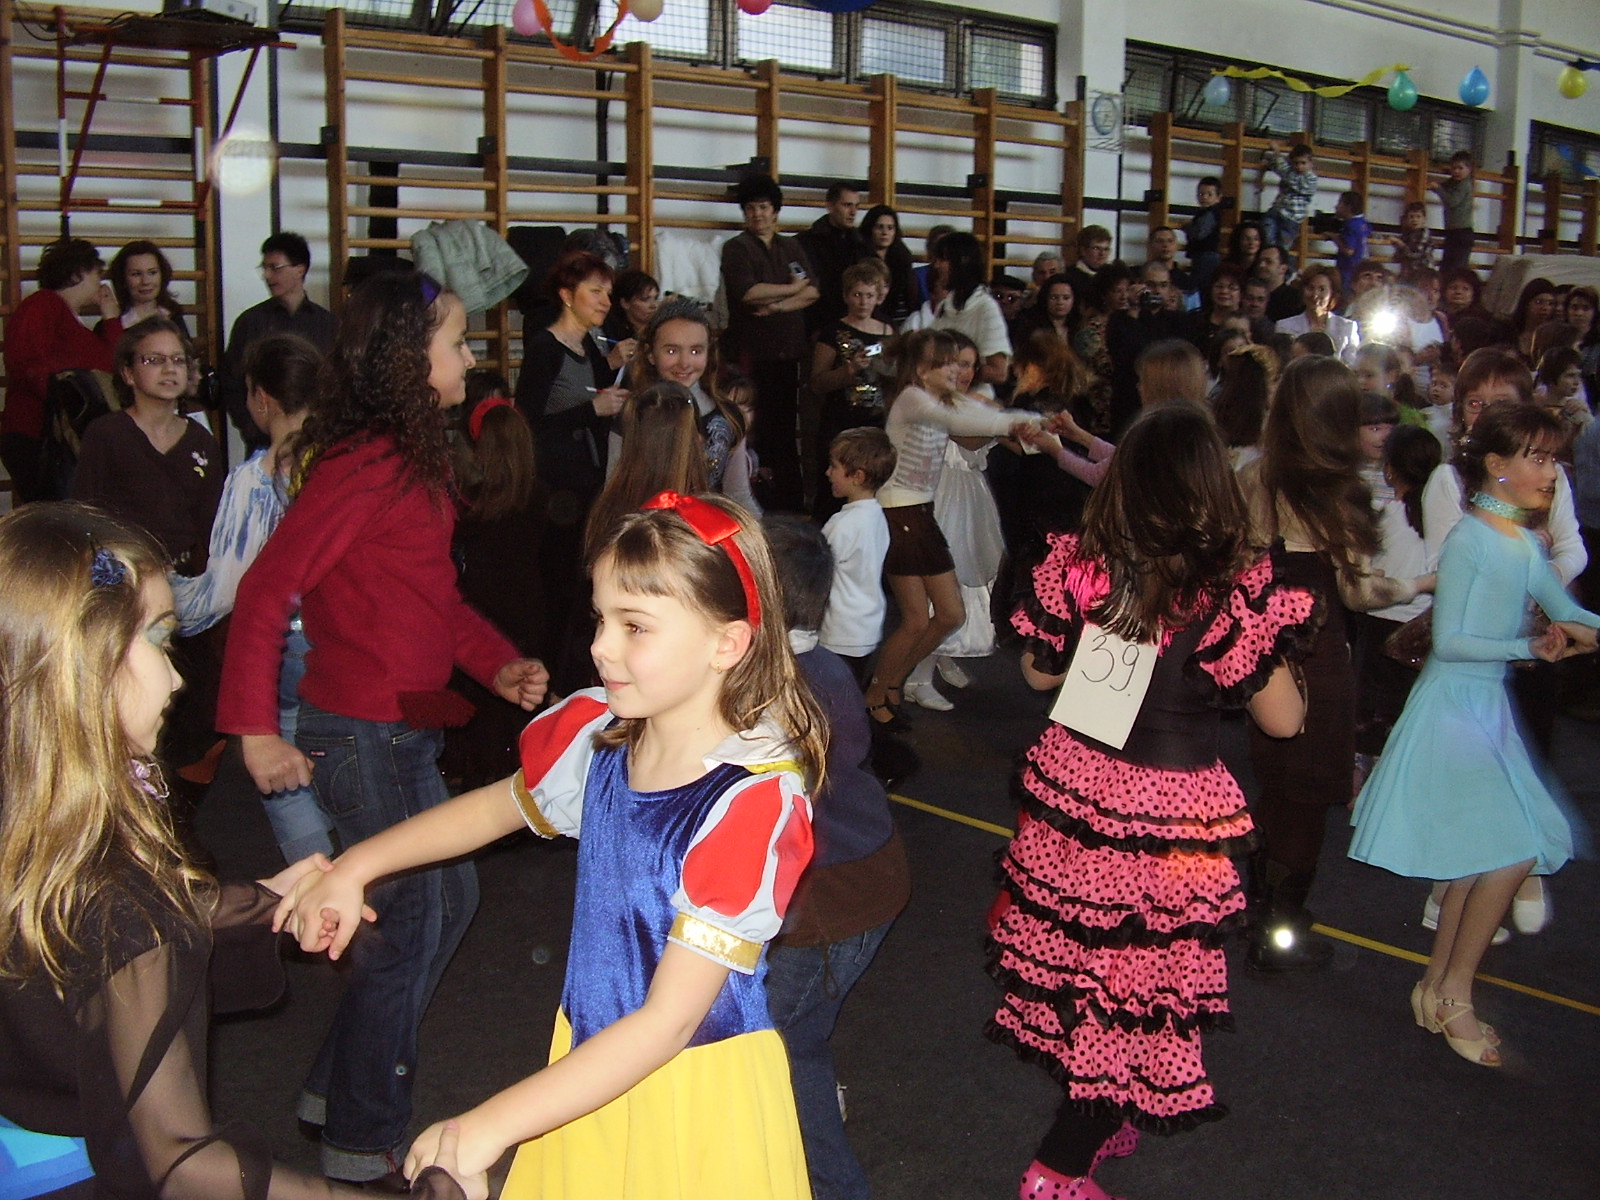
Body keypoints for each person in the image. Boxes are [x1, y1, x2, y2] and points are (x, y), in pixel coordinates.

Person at [278, 492, 825, 1198]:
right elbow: (493, 807)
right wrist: (355, 867)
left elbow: (669, 1022)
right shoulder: (601, 737)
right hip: (590, 1063)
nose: (601, 647)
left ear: (727, 643)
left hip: (688, 1092)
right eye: (601, 618)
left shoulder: (750, 801)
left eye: (635, 625)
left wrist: (489, 1125)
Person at [0, 502, 482, 1200]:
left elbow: (77, 930)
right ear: (86, 661)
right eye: (158, 640)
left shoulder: (32, 810)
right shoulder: (122, 896)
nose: (176, 679)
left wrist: (263, 901)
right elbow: (181, 1165)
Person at [216, 271, 549, 1187]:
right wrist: (253, 728)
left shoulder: (413, 458)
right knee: (414, 916)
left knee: (445, 902)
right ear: (408, 359)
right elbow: (266, 588)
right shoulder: (367, 462)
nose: (471, 356)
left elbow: (430, 601)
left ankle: (337, 1090)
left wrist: (495, 664)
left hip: (396, 732)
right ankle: (364, 1141)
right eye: (457, 341)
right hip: (358, 734)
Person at [989, 403, 1316, 1200]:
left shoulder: (1087, 568)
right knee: (1136, 983)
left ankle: (1099, 1108)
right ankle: (1058, 1168)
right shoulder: (1228, 591)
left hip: (1078, 789)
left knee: (1087, 962)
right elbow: (1283, 720)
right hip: (1163, 816)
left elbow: (1036, 672)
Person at [1350, 402, 1599, 1066]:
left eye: (1553, 459)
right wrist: (1528, 645)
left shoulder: (1524, 543)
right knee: (1511, 849)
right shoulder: (1469, 540)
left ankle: (1438, 989)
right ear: (1497, 465)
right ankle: (1453, 990)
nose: (1551, 472)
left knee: (1480, 855)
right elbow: (1452, 640)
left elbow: (1569, 610)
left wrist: (1577, 633)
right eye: (1538, 458)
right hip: (1453, 708)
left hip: (1485, 711)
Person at [1238, 355, 1434, 970]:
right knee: (1307, 798)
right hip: (1318, 658)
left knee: (1277, 786)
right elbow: (1357, 590)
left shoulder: (1254, 476)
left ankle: (1259, 909)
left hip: (1261, 656)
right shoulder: (1338, 489)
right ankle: (1279, 930)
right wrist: (1419, 584)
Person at [760, 514, 912, 1200]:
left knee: (780, 1046)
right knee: (792, 1036)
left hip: (833, 901)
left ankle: (828, 1178)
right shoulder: (814, 667)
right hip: (856, 882)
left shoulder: (779, 689)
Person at [171, 332, 334, 863]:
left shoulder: (255, 479)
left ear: (262, 397)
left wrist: (161, 592)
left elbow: (225, 592)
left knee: (288, 783)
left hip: (286, 649)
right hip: (348, 646)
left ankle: (317, 878)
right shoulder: (344, 465)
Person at [862, 330, 1037, 729]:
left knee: (948, 614)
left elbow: (981, 425)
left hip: (919, 514)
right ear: (923, 369)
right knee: (919, 619)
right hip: (901, 513)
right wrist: (1021, 419)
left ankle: (890, 684)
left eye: (961, 364)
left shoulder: (941, 400)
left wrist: (1034, 428)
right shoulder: (914, 398)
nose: (957, 371)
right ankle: (879, 692)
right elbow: (967, 422)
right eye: (947, 363)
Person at [516, 250, 629, 691]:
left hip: (587, 488)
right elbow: (527, 423)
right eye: (595, 291)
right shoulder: (545, 348)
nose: (605, 302)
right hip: (555, 494)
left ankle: (575, 680)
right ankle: (552, 682)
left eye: (608, 293)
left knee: (582, 591)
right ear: (567, 295)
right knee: (559, 592)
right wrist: (591, 410)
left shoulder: (589, 347)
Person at [71, 317, 223, 576]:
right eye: (154, 360)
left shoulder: (201, 441)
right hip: (120, 576)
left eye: (178, 360)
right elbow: (84, 517)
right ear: (128, 373)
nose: (169, 369)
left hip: (183, 577)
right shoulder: (106, 433)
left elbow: (213, 527)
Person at [720, 173, 819, 511]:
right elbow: (748, 292)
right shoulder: (737, 248)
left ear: (775, 211)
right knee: (752, 428)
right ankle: (754, 503)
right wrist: (791, 289)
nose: (757, 214)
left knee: (785, 430)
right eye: (750, 208)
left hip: (788, 354)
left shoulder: (791, 246)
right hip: (752, 355)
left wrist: (778, 305)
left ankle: (789, 504)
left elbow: (812, 291)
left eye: (763, 207)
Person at [0, 237, 123, 504]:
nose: (100, 282)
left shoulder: (72, 322)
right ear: (78, 273)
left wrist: (111, 319)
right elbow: (27, 360)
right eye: (96, 273)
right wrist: (65, 397)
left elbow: (112, 368)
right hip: (38, 430)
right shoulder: (44, 303)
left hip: (63, 434)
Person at [626, 299, 758, 511]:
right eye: (671, 351)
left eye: (696, 351)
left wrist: (759, 530)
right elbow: (620, 493)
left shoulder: (728, 416)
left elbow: (738, 495)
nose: (684, 363)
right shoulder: (634, 413)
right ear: (651, 354)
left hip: (709, 527)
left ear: (709, 353)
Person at [220, 232, 338, 443]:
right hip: (264, 439)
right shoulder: (250, 322)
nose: (267, 275)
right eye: (264, 268)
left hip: (319, 438)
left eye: (275, 268)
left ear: (300, 269)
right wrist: (252, 429)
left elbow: (338, 382)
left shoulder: (329, 324)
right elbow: (232, 383)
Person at [810, 262, 897, 520]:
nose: (863, 302)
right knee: (833, 492)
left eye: (869, 295)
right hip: (841, 421)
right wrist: (848, 371)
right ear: (846, 295)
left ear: (878, 297)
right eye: (857, 294)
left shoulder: (888, 331)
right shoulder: (833, 332)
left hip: (876, 422)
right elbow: (817, 382)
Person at [818, 426, 895, 683]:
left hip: (839, 629)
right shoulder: (877, 516)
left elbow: (819, 571)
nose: (828, 473)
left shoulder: (842, 525)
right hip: (866, 626)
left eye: (834, 467)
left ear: (857, 476)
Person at [929, 231, 1012, 385]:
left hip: (973, 395)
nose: (937, 265)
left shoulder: (986, 308)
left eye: (943, 259)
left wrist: (959, 371)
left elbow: (999, 372)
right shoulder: (945, 305)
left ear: (963, 261)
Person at [799, 182, 868, 332]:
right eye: (847, 205)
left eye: (856, 206)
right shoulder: (805, 242)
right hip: (816, 322)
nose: (853, 212)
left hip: (853, 321)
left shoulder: (862, 244)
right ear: (830, 206)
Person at [1273, 265, 1359, 364]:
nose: (1315, 295)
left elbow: (1352, 365)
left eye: (1322, 289)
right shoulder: (1284, 326)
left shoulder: (1347, 327)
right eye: (1310, 288)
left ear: (1332, 294)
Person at [859, 203, 920, 327]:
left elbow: (911, 297)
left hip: (902, 322)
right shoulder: (858, 258)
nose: (885, 232)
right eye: (879, 227)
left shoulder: (903, 257)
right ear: (870, 229)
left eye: (890, 228)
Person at [104, 240, 187, 329]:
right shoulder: (111, 323)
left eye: (152, 272)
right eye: (136, 274)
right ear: (122, 278)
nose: (145, 282)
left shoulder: (174, 316)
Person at [1260, 141, 1318, 252]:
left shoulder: (1311, 178)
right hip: (1276, 210)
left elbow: (1288, 176)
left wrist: (1277, 152)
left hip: (1291, 218)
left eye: (1303, 163)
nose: (1299, 166)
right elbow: (1276, 166)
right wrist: (1265, 167)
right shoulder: (1289, 171)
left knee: (1282, 248)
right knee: (1266, 240)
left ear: (1311, 164)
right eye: (1296, 163)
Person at [1430, 151, 1477, 274]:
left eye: (1460, 168)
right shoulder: (1454, 182)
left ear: (1469, 169)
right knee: (1446, 268)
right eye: (1453, 168)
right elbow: (1445, 186)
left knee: (1457, 270)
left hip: (1462, 233)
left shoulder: (1464, 184)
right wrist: (1437, 187)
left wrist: (1438, 189)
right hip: (1453, 232)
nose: (1456, 171)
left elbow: (1452, 201)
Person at [598, 266, 657, 353]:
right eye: (645, 299)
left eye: (655, 298)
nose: (654, 305)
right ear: (625, 303)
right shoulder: (611, 332)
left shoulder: (659, 329)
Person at [1184, 176, 1223, 297]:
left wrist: (1187, 228)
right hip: (1202, 255)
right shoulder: (1204, 213)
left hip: (1206, 256)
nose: (1204, 197)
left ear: (1218, 198)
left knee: (1202, 286)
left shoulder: (1211, 213)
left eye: (1209, 194)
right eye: (1201, 194)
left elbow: (1200, 233)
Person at [1330, 190, 1369, 298]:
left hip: (1348, 270)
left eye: (1340, 203)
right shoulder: (1363, 222)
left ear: (1348, 207)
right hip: (1360, 266)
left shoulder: (1350, 225)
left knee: (1345, 298)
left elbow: (1349, 250)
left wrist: (1334, 237)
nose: (1336, 207)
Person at [1392, 201, 1435, 283]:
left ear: (1424, 219)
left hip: (1423, 272)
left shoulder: (1424, 235)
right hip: (1409, 272)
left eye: (1418, 217)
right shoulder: (1407, 235)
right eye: (1411, 217)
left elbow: (1415, 254)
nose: (1414, 220)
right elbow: (1397, 256)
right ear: (1406, 219)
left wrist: (1401, 245)